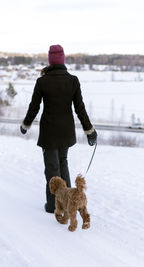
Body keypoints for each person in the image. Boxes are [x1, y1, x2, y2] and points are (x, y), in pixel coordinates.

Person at [20, 44, 97, 213]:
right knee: (63, 164)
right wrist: (89, 131)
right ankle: (68, 202)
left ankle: (54, 204)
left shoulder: (42, 81)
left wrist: (25, 125)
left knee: (52, 169)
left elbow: (34, 107)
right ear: (63, 60)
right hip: (66, 132)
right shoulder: (72, 81)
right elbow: (80, 109)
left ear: (50, 61)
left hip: (49, 133)